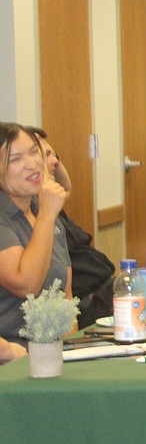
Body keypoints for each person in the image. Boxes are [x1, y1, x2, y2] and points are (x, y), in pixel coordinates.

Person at [29, 128, 115, 328]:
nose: (56, 161)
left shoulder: (52, 202)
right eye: (47, 155)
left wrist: (50, 158)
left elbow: (66, 187)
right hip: (88, 302)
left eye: (55, 154)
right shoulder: (38, 211)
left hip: (104, 289)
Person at [0, 123, 72, 364]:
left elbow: (66, 294)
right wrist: (47, 216)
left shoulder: (41, 209)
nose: (32, 164)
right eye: (15, 159)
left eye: (33, 152)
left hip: (53, 351)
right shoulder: (43, 213)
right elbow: (26, 284)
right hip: (13, 354)